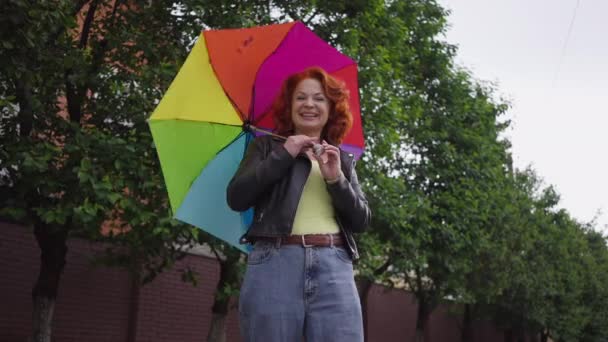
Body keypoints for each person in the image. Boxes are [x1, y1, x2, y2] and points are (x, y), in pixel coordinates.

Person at [226, 66, 371, 342]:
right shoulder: (266, 148)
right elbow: (237, 197)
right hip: (275, 261)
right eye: (300, 98)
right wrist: (285, 154)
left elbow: (361, 220)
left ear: (331, 108)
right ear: (289, 106)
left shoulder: (342, 159)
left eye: (319, 98)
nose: (309, 104)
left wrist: (336, 179)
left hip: (334, 266)